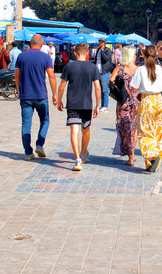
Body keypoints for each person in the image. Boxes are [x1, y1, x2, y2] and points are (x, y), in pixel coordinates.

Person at [57, 43, 100, 171]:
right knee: (85, 130)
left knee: (74, 131)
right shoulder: (92, 68)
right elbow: (97, 87)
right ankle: (83, 153)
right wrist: (98, 105)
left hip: (73, 103)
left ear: (75, 53)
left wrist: (59, 100)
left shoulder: (69, 66)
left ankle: (77, 160)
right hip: (87, 104)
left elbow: (62, 86)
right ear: (87, 53)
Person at [15, 34, 58, 161]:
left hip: (25, 96)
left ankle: (28, 152)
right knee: (45, 120)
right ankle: (39, 144)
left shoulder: (21, 56)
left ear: (30, 42)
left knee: (26, 124)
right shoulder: (45, 57)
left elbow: (16, 75)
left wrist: (18, 89)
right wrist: (54, 94)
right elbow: (51, 76)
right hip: (40, 95)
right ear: (41, 44)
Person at [130, 45, 162, 172]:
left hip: (147, 101)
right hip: (158, 100)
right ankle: (152, 163)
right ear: (155, 56)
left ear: (144, 55)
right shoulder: (161, 69)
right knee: (157, 131)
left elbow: (133, 88)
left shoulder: (141, 70)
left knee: (144, 131)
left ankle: (151, 157)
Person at [110, 45, 139, 166]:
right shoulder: (138, 69)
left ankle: (130, 156)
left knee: (125, 128)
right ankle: (132, 153)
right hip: (136, 102)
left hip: (123, 102)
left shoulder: (119, 69)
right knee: (134, 128)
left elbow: (109, 83)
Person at [93, 38, 115, 112]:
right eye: (99, 42)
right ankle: (102, 105)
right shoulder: (98, 50)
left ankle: (105, 106)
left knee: (105, 90)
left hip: (104, 72)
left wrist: (102, 50)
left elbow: (106, 59)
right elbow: (96, 60)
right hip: (98, 71)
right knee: (100, 90)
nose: (100, 43)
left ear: (104, 43)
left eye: (101, 42)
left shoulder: (107, 50)